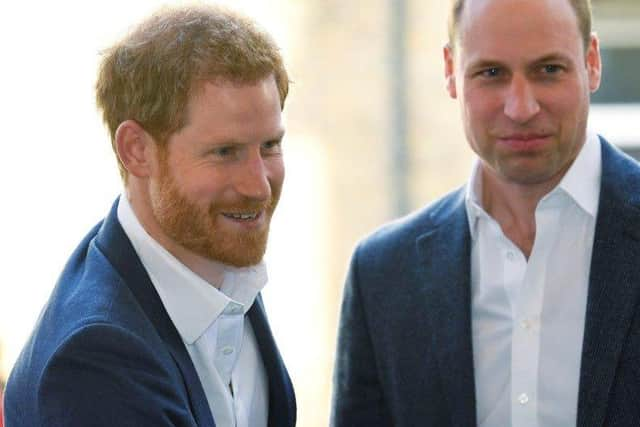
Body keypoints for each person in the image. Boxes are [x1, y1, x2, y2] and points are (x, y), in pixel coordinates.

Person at [332, 0, 640, 425]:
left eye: (548, 69)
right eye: (492, 73)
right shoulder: (383, 274)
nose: (521, 107)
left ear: (591, 62)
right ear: (450, 70)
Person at [4, 5, 295, 426]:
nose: (259, 186)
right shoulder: (92, 362)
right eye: (225, 152)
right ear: (137, 150)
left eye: (269, 146)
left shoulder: (217, 260)